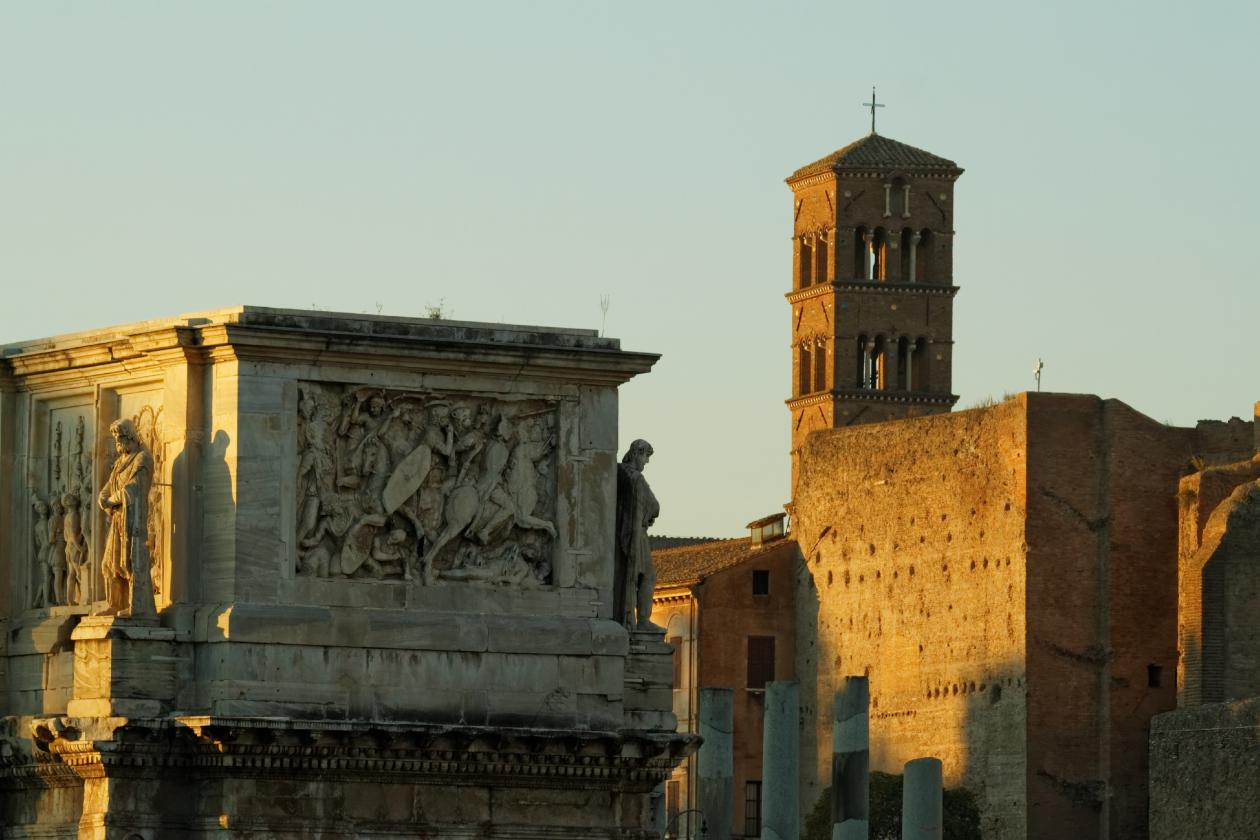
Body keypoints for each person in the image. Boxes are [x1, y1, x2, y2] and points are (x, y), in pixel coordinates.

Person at [97, 418, 155, 618]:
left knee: (131, 561)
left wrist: (112, 500)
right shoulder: (120, 461)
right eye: (115, 438)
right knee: (109, 562)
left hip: (134, 518)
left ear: (130, 436)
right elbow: (109, 485)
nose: (117, 441)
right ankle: (115, 603)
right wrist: (102, 498)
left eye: (120, 437)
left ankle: (137, 606)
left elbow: (134, 488)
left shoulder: (142, 458)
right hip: (118, 518)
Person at [616, 439, 661, 631]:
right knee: (646, 576)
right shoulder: (635, 479)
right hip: (636, 533)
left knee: (639, 576)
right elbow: (648, 506)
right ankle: (642, 620)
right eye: (646, 456)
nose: (647, 461)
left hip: (632, 530)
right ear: (636, 453)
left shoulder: (621, 473)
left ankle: (637, 619)